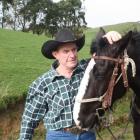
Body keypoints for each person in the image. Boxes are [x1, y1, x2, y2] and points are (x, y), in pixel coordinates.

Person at [19, 28, 121, 140]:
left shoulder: (87, 69)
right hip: (58, 136)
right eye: (66, 51)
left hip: (87, 135)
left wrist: (110, 35)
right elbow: (29, 120)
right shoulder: (42, 84)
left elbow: (104, 58)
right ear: (55, 54)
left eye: (74, 50)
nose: (72, 55)